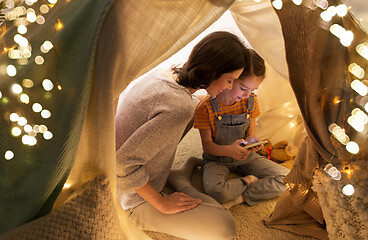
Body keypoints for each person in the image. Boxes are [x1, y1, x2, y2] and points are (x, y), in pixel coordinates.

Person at [115, 31, 249, 240]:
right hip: (127, 197)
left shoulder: (165, 73)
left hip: (133, 171)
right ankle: (180, 181)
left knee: (194, 106)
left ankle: (175, 177)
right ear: (213, 72)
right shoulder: (178, 108)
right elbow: (123, 164)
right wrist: (161, 203)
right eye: (230, 80)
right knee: (225, 227)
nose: (229, 87)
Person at [194, 49, 290, 209]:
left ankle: (240, 198)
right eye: (244, 88)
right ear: (231, 79)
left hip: (246, 157)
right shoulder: (205, 107)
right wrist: (229, 151)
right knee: (216, 191)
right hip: (217, 160)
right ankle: (248, 180)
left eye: (253, 90)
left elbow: (250, 135)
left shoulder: (251, 102)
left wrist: (253, 142)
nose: (247, 94)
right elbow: (208, 146)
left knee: (287, 177)